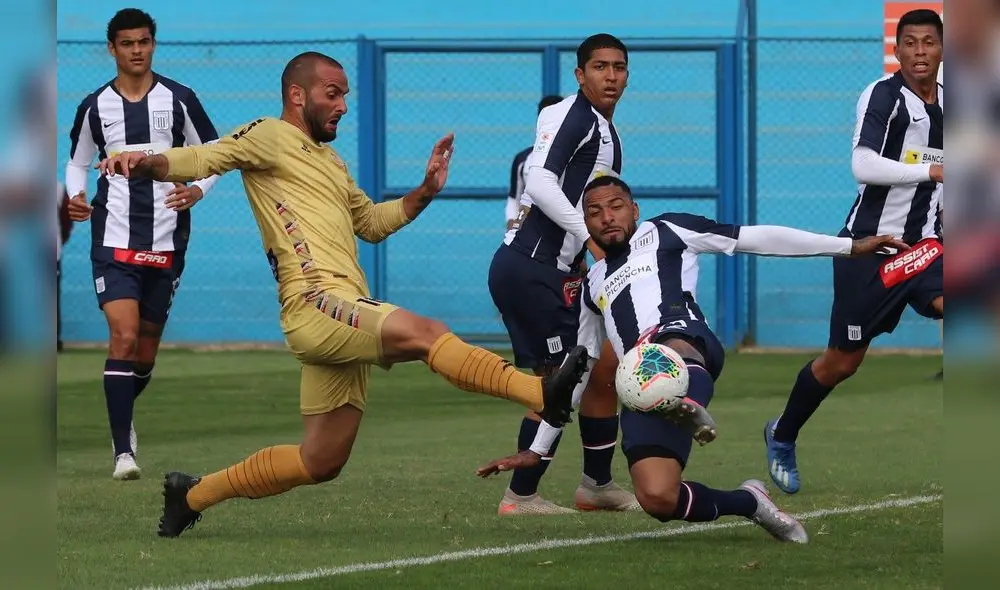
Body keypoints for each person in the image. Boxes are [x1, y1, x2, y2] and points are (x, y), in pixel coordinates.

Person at [93, 51, 589, 538]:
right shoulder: (268, 134)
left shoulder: (329, 160)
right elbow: (205, 155)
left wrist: (424, 192)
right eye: (333, 94)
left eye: (345, 96)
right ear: (296, 94)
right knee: (426, 334)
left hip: (342, 310)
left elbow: (370, 223)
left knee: (321, 460)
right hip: (314, 301)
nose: (343, 105)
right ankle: (539, 393)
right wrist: (147, 161)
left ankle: (192, 495)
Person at [477, 175, 909, 541]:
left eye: (616, 206)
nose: (607, 216)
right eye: (595, 211)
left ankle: (687, 403)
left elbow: (754, 237)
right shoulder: (591, 284)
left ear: (635, 209)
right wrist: (537, 451)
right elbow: (578, 375)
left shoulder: (668, 230)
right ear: (585, 222)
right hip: (640, 384)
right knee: (658, 499)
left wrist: (849, 247)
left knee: (667, 349)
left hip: (685, 342)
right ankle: (749, 501)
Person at [763, 8, 944, 495]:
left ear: (942, 49)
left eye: (929, 42)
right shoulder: (882, 97)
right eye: (911, 43)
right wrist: (931, 172)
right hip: (871, 249)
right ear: (898, 49)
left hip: (926, 248)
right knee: (842, 362)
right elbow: (862, 164)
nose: (920, 52)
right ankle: (782, 434)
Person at [65, 8, 223, 481]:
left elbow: (217, 155)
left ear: (153, 44)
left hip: (166, 239)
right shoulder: (95, 106)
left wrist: (197, 189)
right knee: (124, 337)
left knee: (146, 353)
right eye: (127, 43)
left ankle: (122, 418)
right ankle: (122, 454)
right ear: (111, 48)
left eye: (144, 41)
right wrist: (74, 195)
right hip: (112, 237)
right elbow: (77, 162)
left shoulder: (180, 99)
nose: (137, 50)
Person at [488, 33, 637, 515]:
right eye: (599, 67)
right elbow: (539, 180)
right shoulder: (575, 115)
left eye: (618, 67)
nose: (610, 75)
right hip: (532, 269)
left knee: (602, 367)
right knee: (560, 381)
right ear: (580, 75)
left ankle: (596, 485)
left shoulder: (594, 124)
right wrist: (590, 240)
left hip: (550, 270)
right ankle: (521, 495)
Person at [505, 95, 564, 231]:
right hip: (531, 238)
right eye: (546, 118)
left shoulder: (580, 159)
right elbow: (515, 199)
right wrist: (513, 226)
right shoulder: (523, 160)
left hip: (571, 240)